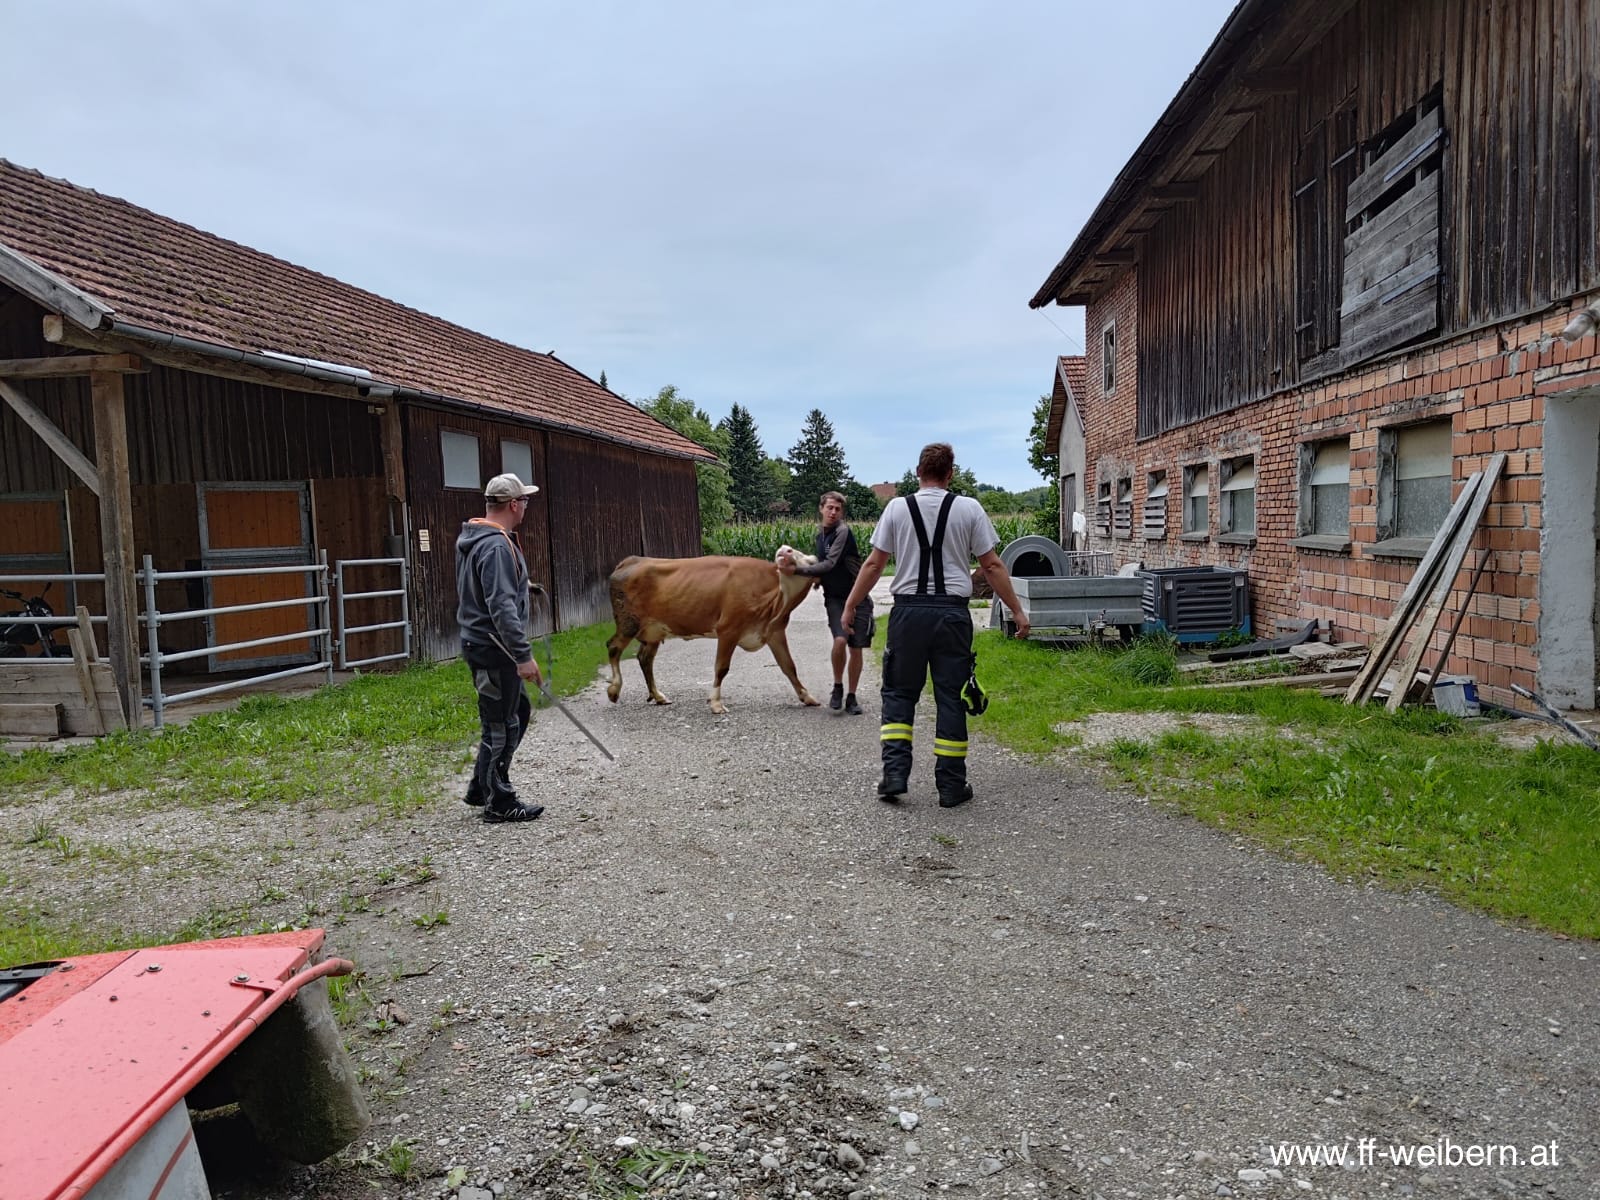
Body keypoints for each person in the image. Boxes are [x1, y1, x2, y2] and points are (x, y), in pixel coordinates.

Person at [842, 443, 1030, 808]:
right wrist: (1017, 611)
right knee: (950, 698)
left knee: (898, 694)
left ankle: (895, 776)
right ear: (951, 473)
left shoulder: (897, 508)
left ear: (917, 472)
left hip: (908, 615)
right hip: (952, 616)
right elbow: (991, 566)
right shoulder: (969, 509)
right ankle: (950, 786)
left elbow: (874, 565)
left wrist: (851, 605)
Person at [455, 472, 546, 823]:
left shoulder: (481, 537)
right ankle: (498, 801)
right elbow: (500, 605)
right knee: (500, 723)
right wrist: (523, 657)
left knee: (517, 713)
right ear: (512, 504)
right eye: (524, 501)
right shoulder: (494, 546)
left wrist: (523, 585)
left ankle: (482, 784)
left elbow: (489, 587)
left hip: (486, 644)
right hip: (493, 648)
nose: (526, 506)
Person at [780, 491, 872, 715]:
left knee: (856, 647)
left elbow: (831, 563)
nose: (833, 512)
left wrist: (798, 571)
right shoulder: (820, 535)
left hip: (857, 595)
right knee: (840, 641)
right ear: (821, 508)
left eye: (837, 509)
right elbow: (825, 564)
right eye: (829, 508)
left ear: (841, 512)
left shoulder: (842, 532)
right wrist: (817, 579)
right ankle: (838, 687)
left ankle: (851, 697)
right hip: (834, 598)